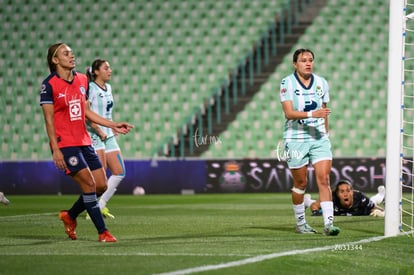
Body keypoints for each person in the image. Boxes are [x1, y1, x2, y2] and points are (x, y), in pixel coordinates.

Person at [39, 43, 133, 242]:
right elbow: (48, 119)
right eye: (66, 54)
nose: (71, 56)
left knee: (101, 186)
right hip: (65, 144)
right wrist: (55, 149)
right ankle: (103, 232)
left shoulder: (82, 79)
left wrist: (113, 124)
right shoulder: (49, 85)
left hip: (84, 140)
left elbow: (86, 112)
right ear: (55, 60)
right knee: (89, 184)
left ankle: (70, 216)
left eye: (72, 53)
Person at [279, 48, 340, 236]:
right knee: (301, 183)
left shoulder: (322, 82)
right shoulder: (286, 83)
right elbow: (289, 113)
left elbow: (324, 110)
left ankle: (329, 224)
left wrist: (326, 132)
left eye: (310, 60)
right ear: (295, 64)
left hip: (319, 137)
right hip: (295, 138)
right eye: (303, 60)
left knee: (324, 179)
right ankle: (300, 224)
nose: (308, 63)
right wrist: (313, 114)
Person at [85, 59, 125, 219]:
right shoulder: (90, 88)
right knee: (99, 177)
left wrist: (112, 127)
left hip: (107, 134)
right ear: (96, 72)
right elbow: (86, 114)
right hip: (95, 134)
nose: (110, 70)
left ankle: (100, 205)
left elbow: (106, 113)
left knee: (119, 172)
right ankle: (92, 208)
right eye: (106, 68)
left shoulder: (108, 88)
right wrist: (98, 129)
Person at [304, 180, 385, 217]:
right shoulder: (332, 197)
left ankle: (381, 194)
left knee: (373, 201)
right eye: (342, 192)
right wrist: (315, 212)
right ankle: (307, 200)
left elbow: (376, 208)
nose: (346, 194)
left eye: (348, 191)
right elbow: (315, 205)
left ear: (352, 192)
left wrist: (381, 212)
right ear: (337, 194)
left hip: (364, 206)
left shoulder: (360, 198)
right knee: (319, 203)